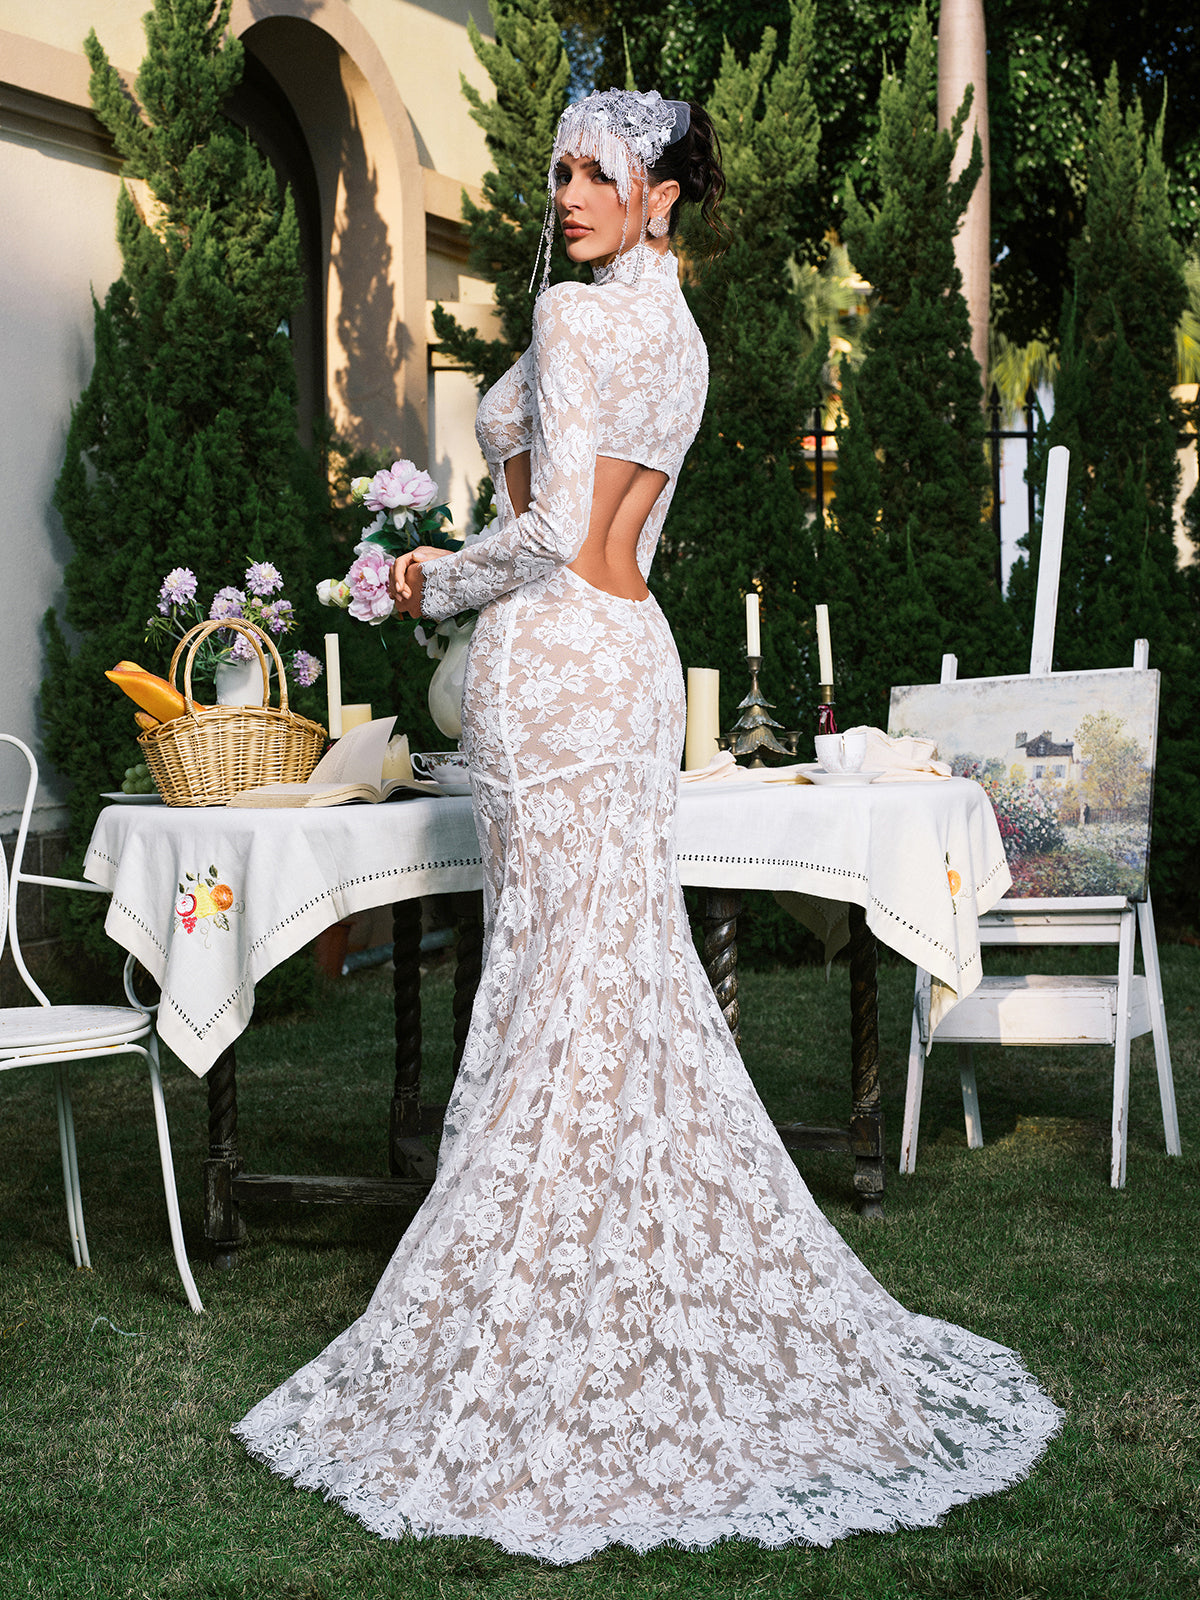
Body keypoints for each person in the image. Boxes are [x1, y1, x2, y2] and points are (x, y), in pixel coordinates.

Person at [234, 89, 1061, 1563]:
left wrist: (424, 583)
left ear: (659, 194)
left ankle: (543, 1280)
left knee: (557, 974)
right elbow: (615, 516)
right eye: (559, 170)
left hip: (552, 655)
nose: (566, 193)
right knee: (605, 972)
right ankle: (598, 1254)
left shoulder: (574, 320)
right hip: (626, 660)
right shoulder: (678, 335)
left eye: (594, 173)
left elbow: (549, 532)